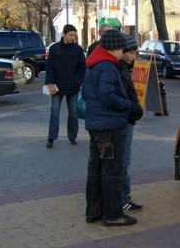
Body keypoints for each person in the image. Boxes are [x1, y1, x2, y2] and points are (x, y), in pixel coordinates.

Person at [82, 29, 137, 227]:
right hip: (109, 127)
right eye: (122, 46)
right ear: (115, 47)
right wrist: (127, 105)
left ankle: (94, 211)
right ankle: (113, 214)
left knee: (96, 169)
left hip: (97, 126)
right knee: (111, 171)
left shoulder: (94, 63)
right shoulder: (107, 66)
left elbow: (87, 93)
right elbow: (106, 95)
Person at [45, 24, 86, 148]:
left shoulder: (77, 50)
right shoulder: (54, 49)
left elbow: (81, 68)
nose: (72, 37)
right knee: (54, 112)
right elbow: (49, 67)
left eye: (74, 35)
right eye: (70, 35)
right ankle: (51, 138)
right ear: (64, 34)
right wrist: (50, 84)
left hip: (72, 87)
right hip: (57, 87)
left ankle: (72, 136)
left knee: (73, 113)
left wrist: (77, 82)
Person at [117, 38, 144, 214]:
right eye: (131, 53)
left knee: (124, 160)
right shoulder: (117, 71)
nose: (134, 57)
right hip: (124, 121)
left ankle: (123, 196)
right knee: (123, 161)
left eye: (135, 53)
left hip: (128, 119)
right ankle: (122, 198)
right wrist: (134, 109)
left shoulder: (123, 69)